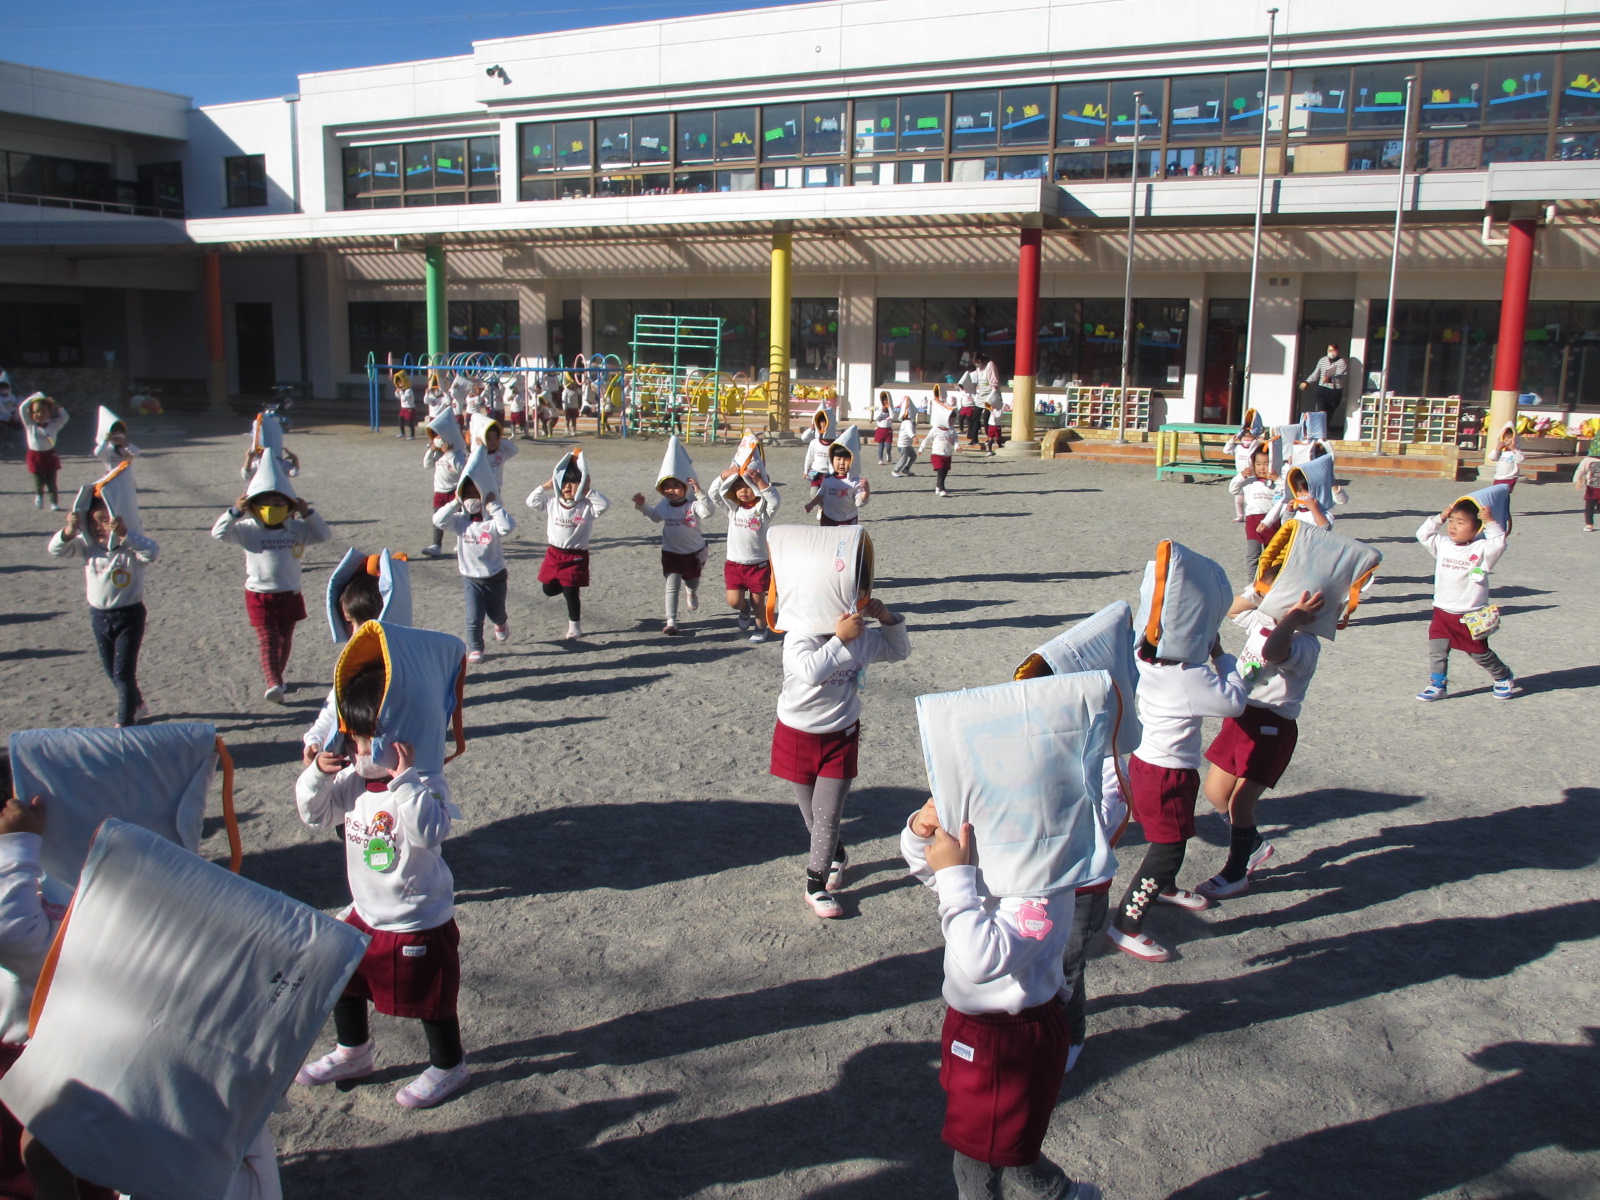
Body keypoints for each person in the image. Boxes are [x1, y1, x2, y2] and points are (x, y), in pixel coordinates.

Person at [901, 804, 1102, 1200]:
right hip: (973, 1025)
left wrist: (955, 875)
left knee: (974, 1161)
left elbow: (981, 958)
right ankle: (1062, 1194)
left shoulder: (1043, 879)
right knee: (1000, 1141)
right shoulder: (1009, 843)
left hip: (1009, 1041)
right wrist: (920, 833)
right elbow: (936, 875)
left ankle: (1062, 1194)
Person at [293, 666, 469, 1110]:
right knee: (343, 975)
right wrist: (316, 773)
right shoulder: (352, 782)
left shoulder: (425, 781)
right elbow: (314, 816)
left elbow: (431, 833)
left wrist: (406, 782)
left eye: (368, 739)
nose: (359, 750)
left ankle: (449, 1065)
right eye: (354, 739)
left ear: (399, 736)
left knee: (431, 998)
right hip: (366, 911)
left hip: (416, 918)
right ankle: (354, 1051)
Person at [772, 586, 909, 918]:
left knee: (828, 813)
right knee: (812, 816)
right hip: (796, 736)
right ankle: (836, 854)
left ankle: (814, 885)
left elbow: (899, 651)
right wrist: (838, 640)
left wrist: (887, 619)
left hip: (842, 735)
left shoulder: (861, 636)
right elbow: (811, 672)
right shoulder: (798, 636)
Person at [1195, 587, 1326, 899]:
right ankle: (1252, 843)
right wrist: (1260, 588)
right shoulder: (1264, 621)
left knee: (1241, 803)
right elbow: (1234, 609)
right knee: (1215, 793)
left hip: (1272, 726)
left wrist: (1294, 617)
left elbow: (1273, 652)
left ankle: (1236, 872)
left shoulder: (1306, 644)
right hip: (1240, 717)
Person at [211, 457, 332, 704]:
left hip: (290, 592)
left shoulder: (296, 529)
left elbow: (323, 534)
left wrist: (307, 512)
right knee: (268, 639)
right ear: (255, 505)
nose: (272, 508)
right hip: (259, 593)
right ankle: (273, 682)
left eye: (278, 503)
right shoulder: (247, 529)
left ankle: (278, 675)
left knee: (285, 639)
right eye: (265, 503)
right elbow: (219, 533)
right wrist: (234, 512)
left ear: (289, 506)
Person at [48, 492, 159, 727]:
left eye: (105, 521)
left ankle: (125, 722)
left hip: (129, 616)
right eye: (93, 522)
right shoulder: (88, 548)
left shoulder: (130, 551)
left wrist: (124, 535)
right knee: (111, 671)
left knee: (123, 674)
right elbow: (56, 550)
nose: (99, 527)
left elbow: (152, 551)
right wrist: (69, 532)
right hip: (99, 617)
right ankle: (137, 704)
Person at [1415, 497, 1518, 701]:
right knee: (1437, 650)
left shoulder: (1481, 549)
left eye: (1460, 522)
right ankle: (1438, 685)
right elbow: (1422, 534)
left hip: (1470, 614)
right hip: (1442, 611)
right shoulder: (1443, 544)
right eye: (1452, 520)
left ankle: (1503, 676)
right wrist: (1440, 517)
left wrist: (1490, 521)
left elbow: (1498, 544)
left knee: (1478, 652)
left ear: (1477, 528)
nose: (1453, 526)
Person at [433, 448, 515, 664]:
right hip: (471, 578)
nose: (471, 499)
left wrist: (493, 505)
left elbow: (508, 527)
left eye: (474, 494)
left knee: (496, 611)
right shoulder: (460, 521)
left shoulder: (491, 522)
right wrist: (454, 502)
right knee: (473, 616)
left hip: (495, 576)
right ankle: (476, 646)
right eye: (466, 494)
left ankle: (501, 622)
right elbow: (438, 520)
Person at [633, 439, 712, 636]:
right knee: (671, 584)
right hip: (671, 553)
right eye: (666, 486)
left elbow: (707, 512)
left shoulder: (692, 505)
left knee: (692, 581)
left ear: (686, 486)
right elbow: (654, 517)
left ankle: (692, 591)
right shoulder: (664, 505)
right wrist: (642, 506)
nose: (671, 490)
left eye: (676, 485)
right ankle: (671, 621)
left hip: (693, 553)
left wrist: (700, 493)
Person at [528, 450, 609, 641]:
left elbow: (604, 505)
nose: (567, 487)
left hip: (576, 556)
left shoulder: (587, 505)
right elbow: (532, 502)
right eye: (563, 482)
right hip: (554, 554)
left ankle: (574, 626)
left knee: (570, 591)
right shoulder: (552, 502)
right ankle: (564, 586)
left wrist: (588, 490)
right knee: (548, 590)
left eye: (573, 483)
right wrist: (545, 486)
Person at [710, 463, 779, 643]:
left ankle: (760, 627)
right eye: (739, 486)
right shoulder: (733, 509)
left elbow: (774, 500)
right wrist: (723, 476)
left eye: (748, 486)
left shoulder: (763, 511)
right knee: (734, 601)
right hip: (734, 565)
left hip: (758, 565)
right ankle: (744, 608)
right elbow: (714, 494)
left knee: (759, 604)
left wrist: (760, 481)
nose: (743, 491)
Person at [1230, 441, 1281, 578]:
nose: (1262, 468)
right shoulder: (1249, 482)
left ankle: (1269, 580)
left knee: (1272, 554)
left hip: (1272, 521)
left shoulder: (1276, 483)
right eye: (1258, 464)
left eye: (1266, 464)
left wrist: (1278, 479)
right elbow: (1232, 489)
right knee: (1253, 555)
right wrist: (1241, 476)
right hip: (1253, 521)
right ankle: (1252, 582)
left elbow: (1288, 493)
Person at [421, 409, 468, 558]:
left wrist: (449, 453)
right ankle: (436, 544)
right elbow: (427, 465)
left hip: (455, 490)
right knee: (437, 517)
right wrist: (431, 450)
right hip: (439, 490)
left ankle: (461, 541)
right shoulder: (437, 453)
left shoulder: (458, 454)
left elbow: (460, 469)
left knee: (460, 517)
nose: (437, 438)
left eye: (440, 436)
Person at [19, 394, 68, 511]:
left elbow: (65, 417)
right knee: (38, 480)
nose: (40, 414)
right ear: (31, 414)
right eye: (36, 411)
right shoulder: (30, 425)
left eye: (44, 411)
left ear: (50, 413)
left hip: (50, 455)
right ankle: (39, 496)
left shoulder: (53, 425)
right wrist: (35, 397)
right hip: (35, 455)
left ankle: (54, 502)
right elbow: (21, 408)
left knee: (52, 481)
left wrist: (57, 406)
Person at [804, 442, 869, 527]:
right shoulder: (828, 479)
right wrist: (811, 504)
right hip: (828, 518)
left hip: (848, 520)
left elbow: (859, 502)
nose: (842, 463)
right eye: (838, 459)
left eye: (846, 459)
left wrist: (866, 493)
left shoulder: (855, 481)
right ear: (832, 460)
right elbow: (821, 493)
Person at [1222, 415, 1263, 523]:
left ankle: (1252, 514)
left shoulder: (1255, 447)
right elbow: (1226, 450)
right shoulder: (1238, 448)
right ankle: (1240, 515)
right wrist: (1232, 439)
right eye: (1245, 438)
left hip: (1253, 475)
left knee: (1251, 497)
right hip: (1240, 475)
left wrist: (1258, 439)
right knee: (1238, 498)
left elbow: (1261, 446)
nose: (1247, 440)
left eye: (1250, 439)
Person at [1298, 343, 1347, 417]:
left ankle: (1325, 427)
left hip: (1335, 391)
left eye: (1333, 350)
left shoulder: (1341, 362)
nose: (1331, 353)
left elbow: (1340, 374)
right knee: (1321, 413)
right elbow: (1316, 373)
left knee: (1329, 415)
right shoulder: (1322, 360)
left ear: (1337, 351)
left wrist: (1329, 377)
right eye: (1330, 350)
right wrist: (1307, 382)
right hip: (1323, 389)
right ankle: (1319, 427)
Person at [921, 419, 959, 497]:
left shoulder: (952, 431)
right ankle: (942, 489)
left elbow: (955, 441)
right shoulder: (935, 430)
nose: (952, 422)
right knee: (940, 470)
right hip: (937, 454)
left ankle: (938, 486)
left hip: (947, 455)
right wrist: (921, 448)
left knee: (944, 472)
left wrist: (957, 447)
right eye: (950, 420)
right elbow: (927, 439)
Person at [968, 353, 999, 445]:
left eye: (977, 362)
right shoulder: (978, 368)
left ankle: (989, 437)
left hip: (990, 393)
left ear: (981, 360)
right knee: (975, 415)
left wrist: (994, 391)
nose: (977, 364)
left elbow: (994, 379)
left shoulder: (990, 365)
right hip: (982, 393)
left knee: (987, 417)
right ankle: (974, 438)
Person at [1575, 437, 1600, 532]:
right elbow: (1580, 470)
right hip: (1592, 488)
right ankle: (1589, 524)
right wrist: (1578, 480)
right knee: (1589, 506)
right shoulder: (1588, 460)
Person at [1490, 423, 1524, 494]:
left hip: (1510, 477)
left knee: (1505, 494)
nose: (1508, 442)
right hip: (1499, 477)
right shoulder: (1500, 451)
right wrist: (1497, 449)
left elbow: (1520, 459)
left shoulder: (1516, 451)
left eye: (1510, 439)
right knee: (1496, 494)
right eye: (1506, 439)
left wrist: (1514, 449)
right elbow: (1492, 457)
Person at [892, 402, 919, 477]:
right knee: (903, 459)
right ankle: (895, 471)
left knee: (913, 456)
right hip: (903, 444)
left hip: (907, 444)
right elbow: (909, 431)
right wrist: (914, 437)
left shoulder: (909, 422)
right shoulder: (907, 422)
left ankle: (906, 469)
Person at [393, 370, 417, 441]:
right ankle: (402, 433)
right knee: (400, 419)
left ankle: (412, 435)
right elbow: (398, 397)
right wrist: (397, 392)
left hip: (410, 408)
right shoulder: (402, 391)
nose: (399, 384)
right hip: (403, 408)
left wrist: (400, 391)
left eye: (400, 382)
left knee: (410, 422)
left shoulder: (409, 390)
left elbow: (404, 398)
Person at [873, 391, 894, 465]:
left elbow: (892, 417)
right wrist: (881, 410)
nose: (885, 402)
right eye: (884, 400)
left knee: (888, 445)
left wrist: (889, 408)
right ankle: (880, 459)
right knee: (881, 445)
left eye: (887, 400)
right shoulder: (879, 409)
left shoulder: (891, 409)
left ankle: (888, 453)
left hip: (888, 429)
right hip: (880, 429)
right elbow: (875, 418)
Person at [0, 375, 18, 455]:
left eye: (5, 388)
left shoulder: (12, 397)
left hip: (11, 416)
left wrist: (14, 414)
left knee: (10, 427)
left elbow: (16, 406)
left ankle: (9, 442)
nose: (4, 390)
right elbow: (2, 409)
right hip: (2, 416)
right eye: (2, 388)